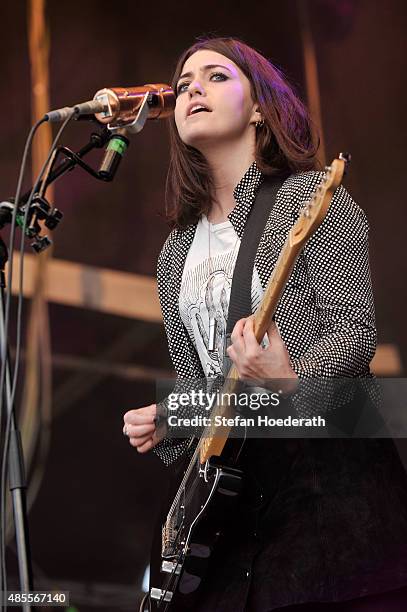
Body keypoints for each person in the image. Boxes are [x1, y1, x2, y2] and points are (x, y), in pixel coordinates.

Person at [123, 37, 407, 611]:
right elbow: (213, 386)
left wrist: (291, 375)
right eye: (183, 84)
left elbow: (354, 336)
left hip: (326, 508)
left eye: (216, 76)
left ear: (259, 108)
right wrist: (173, 415)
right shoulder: (176, 250)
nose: (192, 88)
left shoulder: (307, 198)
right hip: (231, 518)